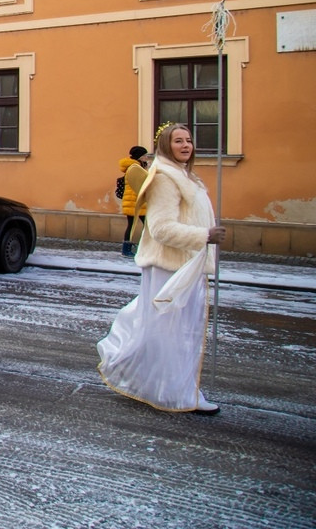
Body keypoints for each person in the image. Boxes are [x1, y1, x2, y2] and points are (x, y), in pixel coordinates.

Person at [97, 123, 227, 415]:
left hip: (184, 264)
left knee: (169, 331)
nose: (185, 145)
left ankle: (164, 385)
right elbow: (161, 228)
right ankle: (177, 393)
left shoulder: (185, 175)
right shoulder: (166, 178)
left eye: (188, 140)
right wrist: (204, 236)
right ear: (165, 146)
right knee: (172, 334)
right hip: (169, 266)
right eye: (178, 141)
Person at [118, 145, 150, 257]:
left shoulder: (137, 167)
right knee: (142, 225)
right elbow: (142, 183)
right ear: (140, 156)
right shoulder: (134, 168)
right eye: (145, 155)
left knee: (139, 225)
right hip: (134, 201)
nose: (147, 157)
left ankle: (130, 249)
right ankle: (129, 249)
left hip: (135, 201)